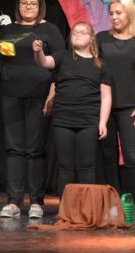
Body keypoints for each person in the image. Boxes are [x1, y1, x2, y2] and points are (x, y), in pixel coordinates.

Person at [0, 0, 65, 219]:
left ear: (40, 6)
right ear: (18, 5)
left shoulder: (50, 30)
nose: (28, 7)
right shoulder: (9, 31)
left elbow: (59, 62)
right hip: (11, 96)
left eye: (33, 4)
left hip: (40, 96)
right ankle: (13, 201)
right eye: (24, 3)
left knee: (35, 149)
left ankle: (36, 201)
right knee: (14, 148)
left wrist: (52, 93)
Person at [97, 0, 135, 224]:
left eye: (118, 13)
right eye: (111, 13)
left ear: (129, 13)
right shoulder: (101, 39)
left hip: (131, 108)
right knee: (108, 157)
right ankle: (114, 204)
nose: (114, 17)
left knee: (132, 157)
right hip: (105, 108)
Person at [33, 22, 111, 197]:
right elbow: (44, 62)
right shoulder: (63, 56)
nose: (77, 35)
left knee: (87, 166)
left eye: (82, 32)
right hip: (63, 119)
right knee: (65, 166)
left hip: (89, 121)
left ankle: (87, 206)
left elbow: (106, 96)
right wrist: (38, 51)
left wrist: (103, 122)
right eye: (74, 32)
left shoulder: (100, 65)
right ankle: (67, 207)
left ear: (91, 38)